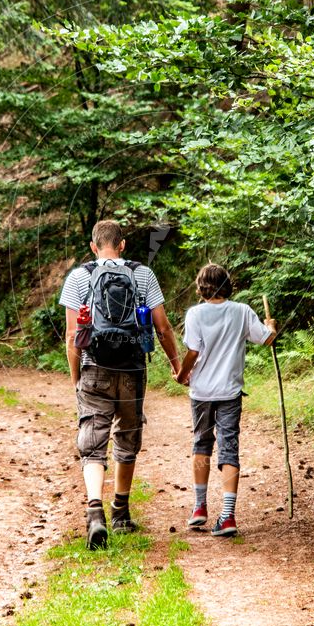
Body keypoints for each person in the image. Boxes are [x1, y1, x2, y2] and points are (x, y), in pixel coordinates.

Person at [60, 219, 181, 549]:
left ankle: (95, 513)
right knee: (127, 437)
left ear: (93, 247)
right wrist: (176, 365)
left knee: (93, 440)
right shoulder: (142, 274)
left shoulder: (79, 277)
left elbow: (73, 337)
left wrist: (76, 379)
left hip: (93, 367)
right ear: (123, 245)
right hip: (132, 370)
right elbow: (163, 327)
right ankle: (121, 512)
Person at [175, 263, 277, 536]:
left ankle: (199, 508)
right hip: (230, 392)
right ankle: (228, 515)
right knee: (229, 447)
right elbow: (266, 340)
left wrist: (182, 374)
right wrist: (271, 326)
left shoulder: (195, 314)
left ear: (201, 287)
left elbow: (193, 352)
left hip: (202, 392)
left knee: (201, 444)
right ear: (227, 285)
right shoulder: (242, 311)